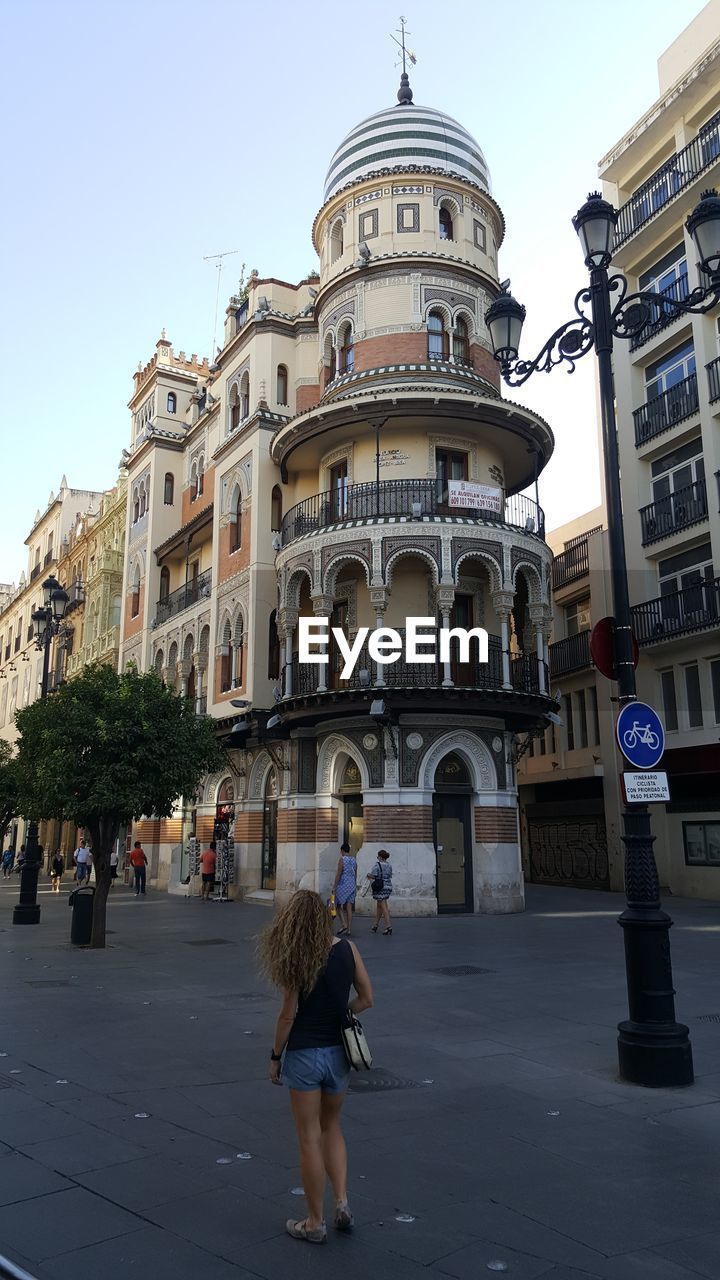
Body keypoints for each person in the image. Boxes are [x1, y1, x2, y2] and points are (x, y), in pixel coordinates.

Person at [260, 890, 373, 1244]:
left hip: (306, 1054)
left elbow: (287, 1015)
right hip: (339, 1053)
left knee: (308, 1137)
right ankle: (342, 1203)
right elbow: (368, 998)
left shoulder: (298, 958)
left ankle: (314, 1222)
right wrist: (342, 1012)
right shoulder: (347, 950)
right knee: (332, 1127)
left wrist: (275, 1056)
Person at [332, 842, 357, 937]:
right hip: (352, 885)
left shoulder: (342, 860)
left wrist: (334, 886)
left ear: (342, 850)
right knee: (349, 907)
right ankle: (349, 929)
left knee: (337, 904)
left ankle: (343, 924)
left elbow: (339, 873)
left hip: (343, 885)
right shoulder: (354, 860)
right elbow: (355, 874)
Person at [368, 848, 393, 935]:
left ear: (381, 857)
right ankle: (375, 925)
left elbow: (374, 875)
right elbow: (390, 875)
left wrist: (368, 875)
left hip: (380, 887)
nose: (377, 857)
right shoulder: (389, 865)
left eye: (378, 856)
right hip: (388, 886)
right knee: (379, 906)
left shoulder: (377, 865)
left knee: (384, 907)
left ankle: (388, 926)